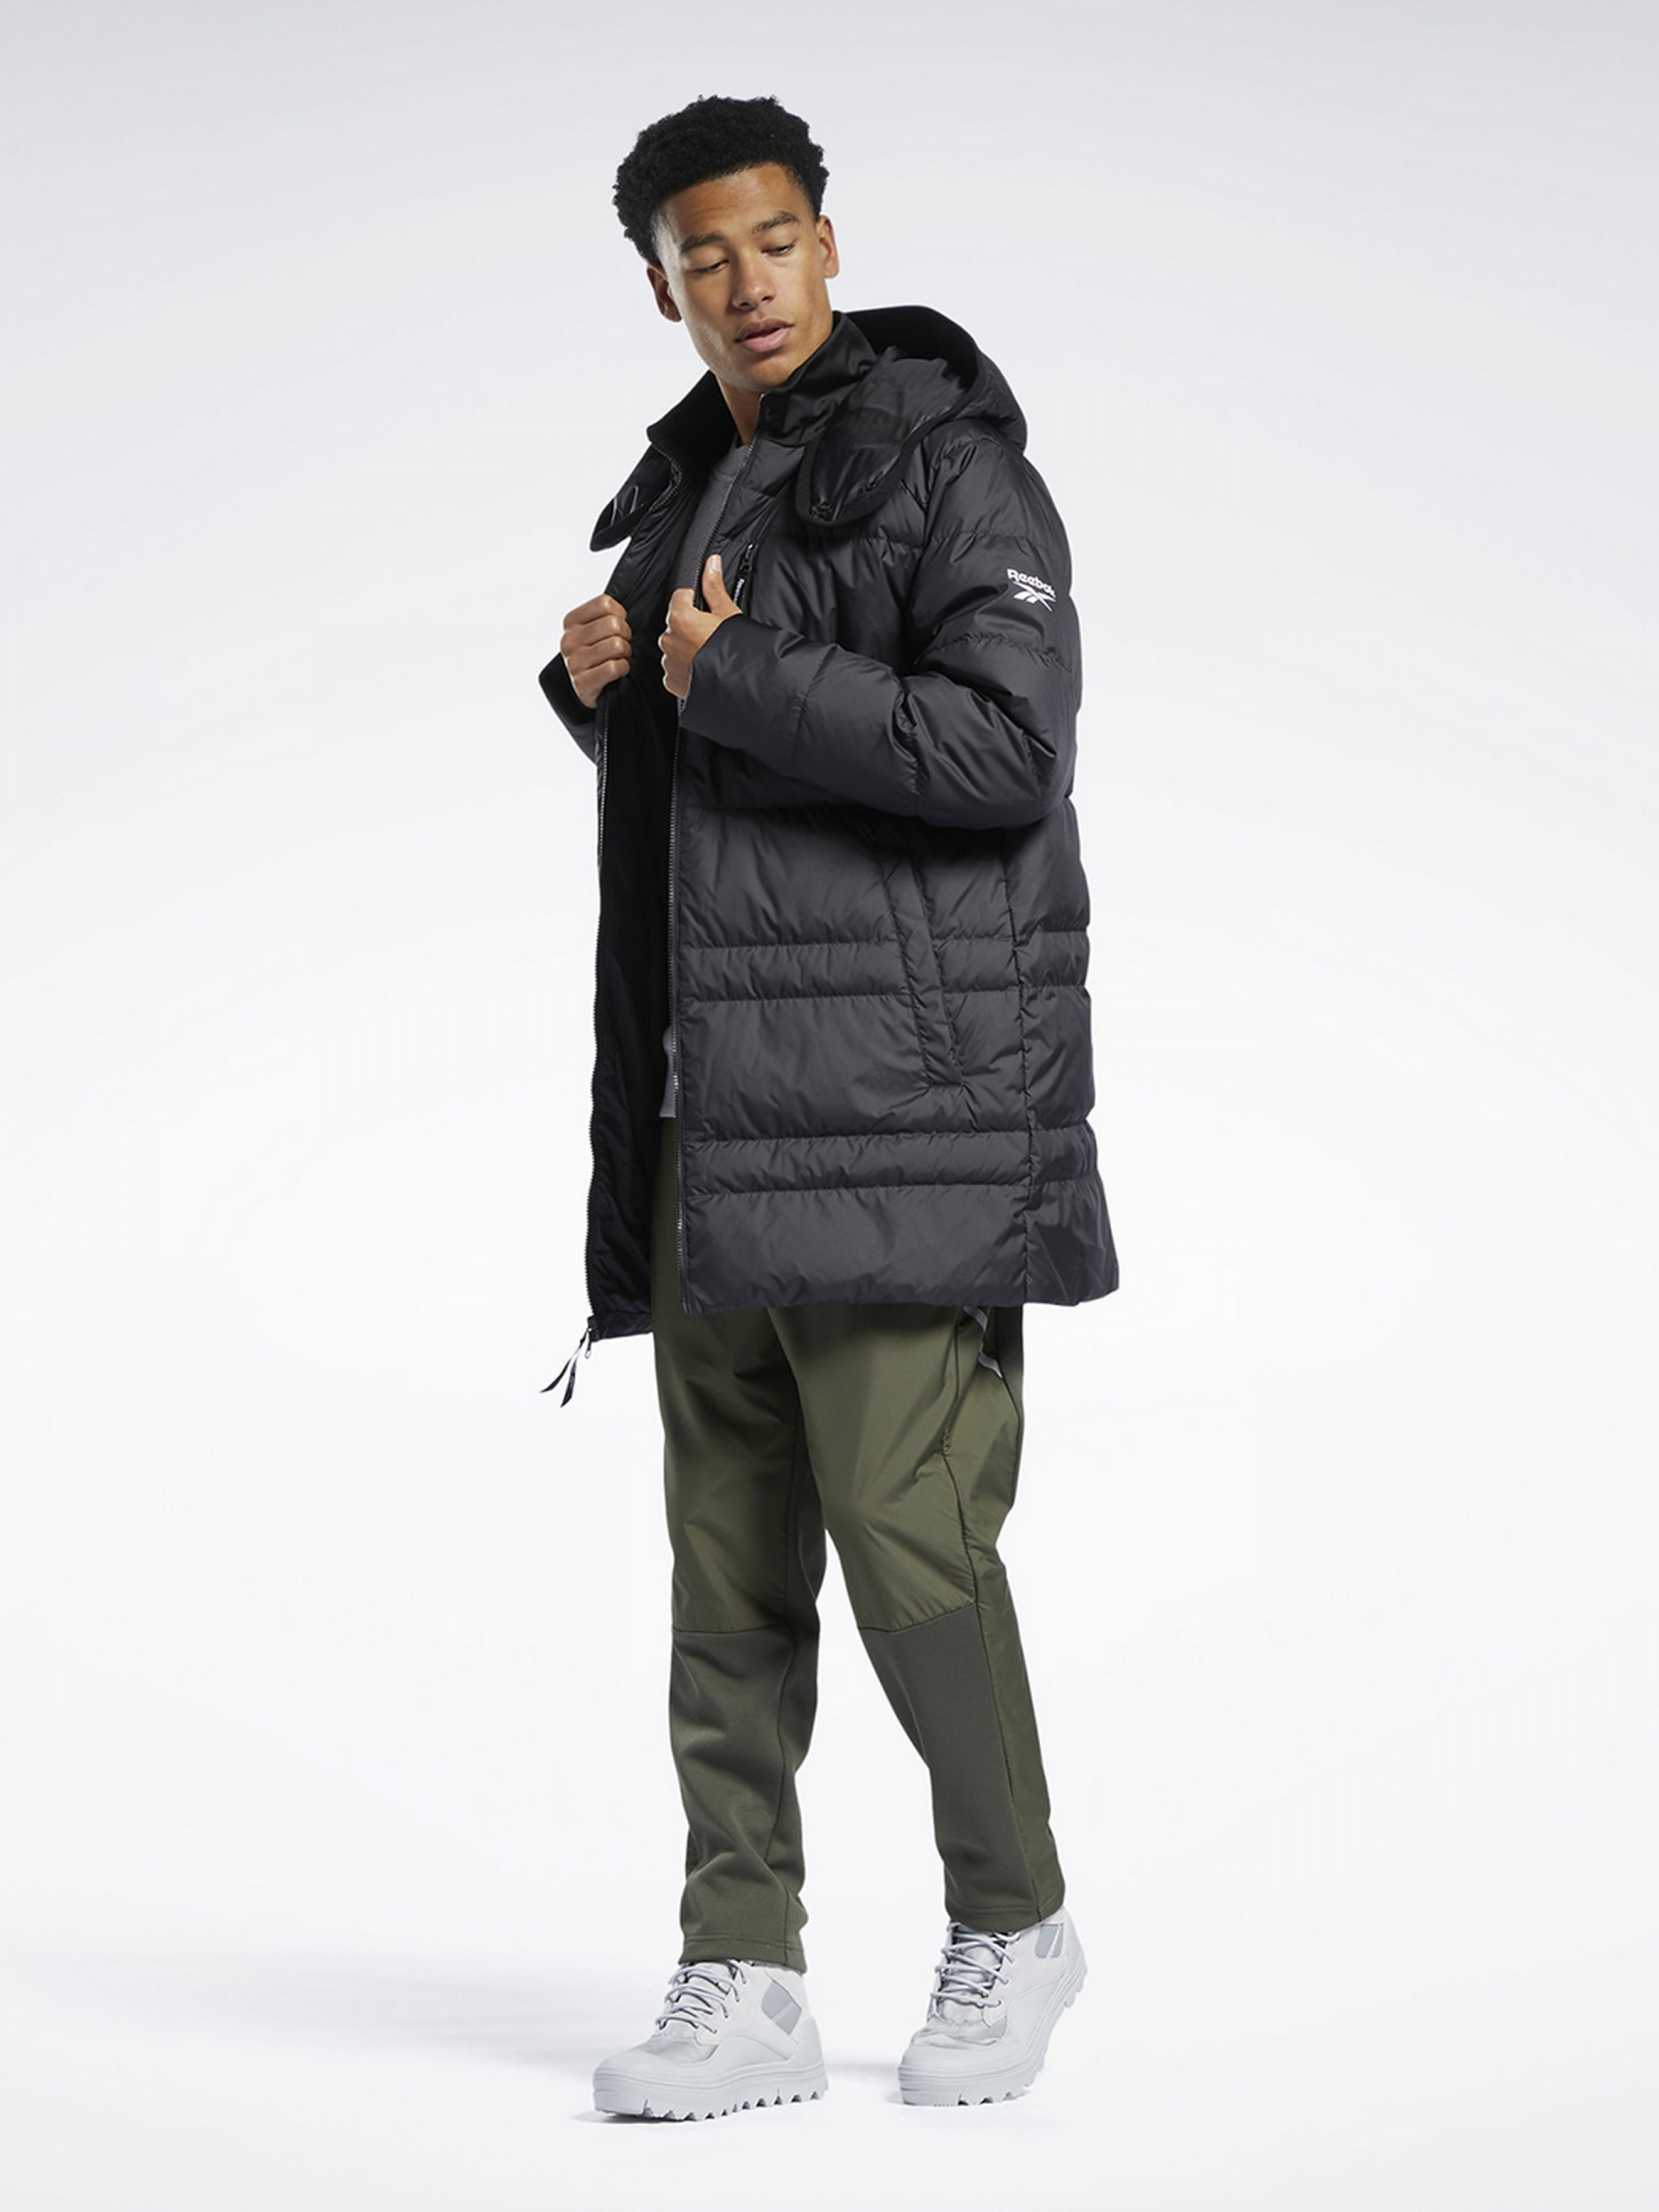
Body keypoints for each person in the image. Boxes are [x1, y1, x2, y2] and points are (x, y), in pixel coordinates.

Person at [539, 93, 1119, 2119]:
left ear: (827, 243)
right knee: (726, 1558)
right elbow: (734, 810)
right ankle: (744, 1967)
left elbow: (1002, 755)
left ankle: (1013, 1918)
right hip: (712, 1111)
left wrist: (731, 679)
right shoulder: (686, 489)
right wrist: (610, 693)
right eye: (700, 256)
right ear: (660, 287)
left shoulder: (948, 463)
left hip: (896, 1112)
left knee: (907, 1532)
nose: (744, 281)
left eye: (770, 238)